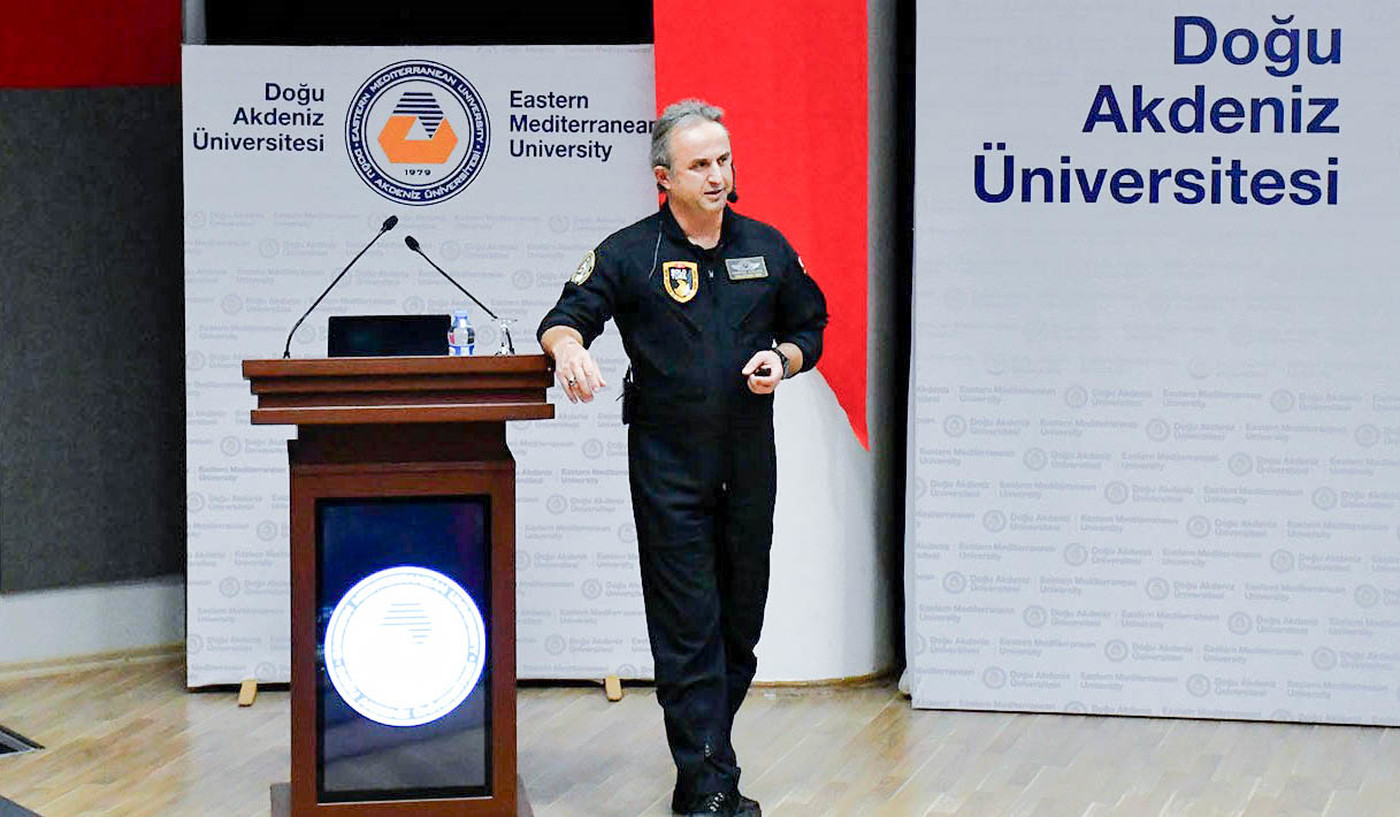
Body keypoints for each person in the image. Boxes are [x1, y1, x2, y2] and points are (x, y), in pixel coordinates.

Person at [537, 99, 828, 817]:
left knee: (739, 628)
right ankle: (710, 786)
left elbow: (810, 324)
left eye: (724, 160)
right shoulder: (631, 252)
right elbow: (565, 318)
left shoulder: (765, 246)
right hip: (668, 464)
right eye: (700, 164)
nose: (718, 175)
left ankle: (702, 766)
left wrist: (785, 359)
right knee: (687, 625)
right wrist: (569, 350)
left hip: (748, 461)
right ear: (664, 177)